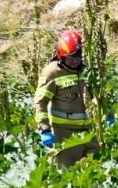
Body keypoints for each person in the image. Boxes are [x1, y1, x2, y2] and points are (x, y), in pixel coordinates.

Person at [35, 28, 102, 168]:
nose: (74, 62)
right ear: (61, 55)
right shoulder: (52, 72)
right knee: (67, 176)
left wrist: (109, 115)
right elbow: (40, 102)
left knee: (96, 172)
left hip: (89, 131)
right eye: (70, 59)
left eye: (77, 59)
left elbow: (99, 94)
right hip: (65, 134)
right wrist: (45, 129)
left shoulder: (87, 70)